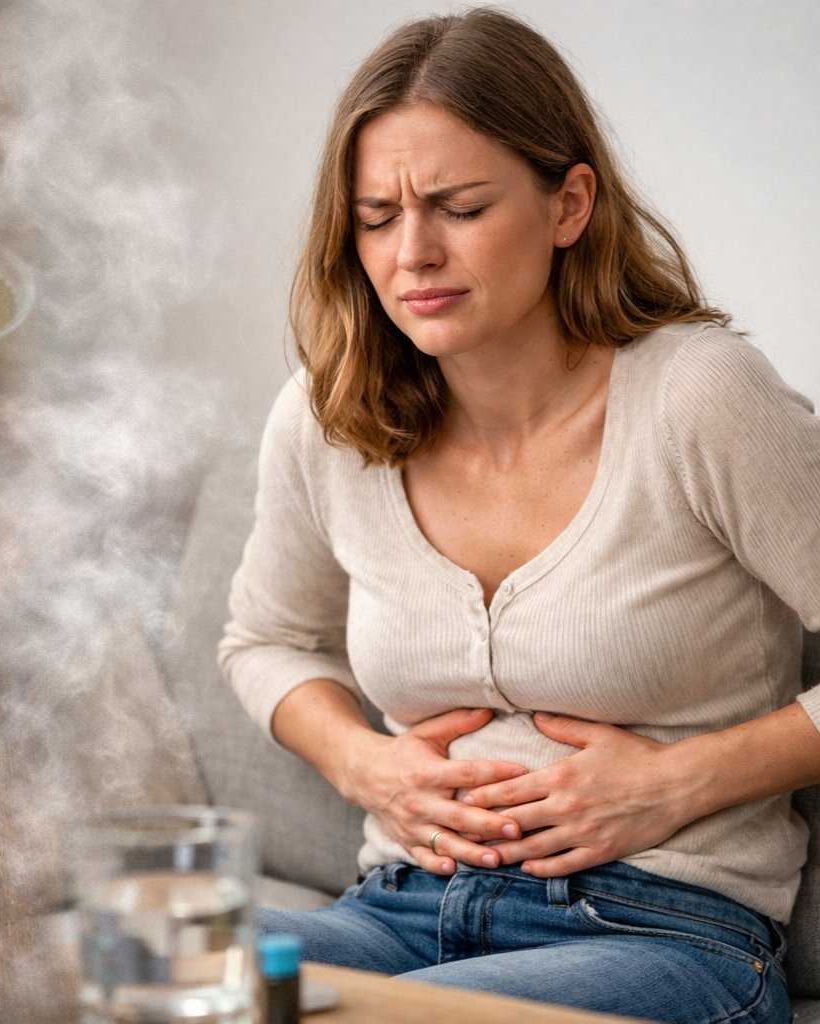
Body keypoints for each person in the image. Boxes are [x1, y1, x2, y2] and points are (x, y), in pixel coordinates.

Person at [217, 7, 820, 1023]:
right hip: (397, 909)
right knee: (144, 973)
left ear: (569, 202)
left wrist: (680, 781)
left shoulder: (702, 399)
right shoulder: (330, 419)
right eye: (375, 217)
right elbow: (265, 640)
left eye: (457, 206)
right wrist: (366, 762)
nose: (413, 252)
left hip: (662, 933)